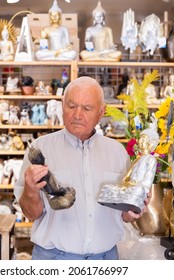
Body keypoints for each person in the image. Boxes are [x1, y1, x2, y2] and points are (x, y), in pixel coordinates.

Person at [14, 76, 151, 260]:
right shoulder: (41, 150)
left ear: (101, 112)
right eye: (71, 106)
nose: (77, 115)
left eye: (87, 108)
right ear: (62, 104)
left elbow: (124, 216)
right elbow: (31, 214)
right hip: (53, 260)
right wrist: (30, 191)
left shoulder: (117, 152)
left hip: (105, 260)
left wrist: (133, 208)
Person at [97, 117, 159, 214]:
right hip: (129, 185)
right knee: (108, 188)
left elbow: (148, 179)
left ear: (151, 144)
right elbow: (129, 174)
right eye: (140, 139)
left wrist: (143, 191)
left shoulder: (150, 159)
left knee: (136, 192)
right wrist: (125, 183)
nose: (140, 142)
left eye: (144, 140)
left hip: (138, 188)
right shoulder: (138, 158)